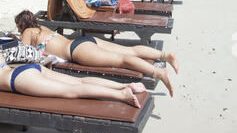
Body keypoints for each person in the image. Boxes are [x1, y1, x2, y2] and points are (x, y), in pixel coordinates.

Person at [0, 26, 147, 108]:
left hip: (17, 80)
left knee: (72, 91)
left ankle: (123, 95)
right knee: (78, 82)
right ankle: (124, 86)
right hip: (26, 70)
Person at [15, 10, 178, 97]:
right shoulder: (42, 28)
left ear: (22, 24)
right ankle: (165, 56)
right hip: (82, 41)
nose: (18, 29)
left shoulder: (28, 32)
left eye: (18, 26)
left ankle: (159, 72)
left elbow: (21, 53)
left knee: (123, 60)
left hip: (77, 51)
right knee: (130, 50)